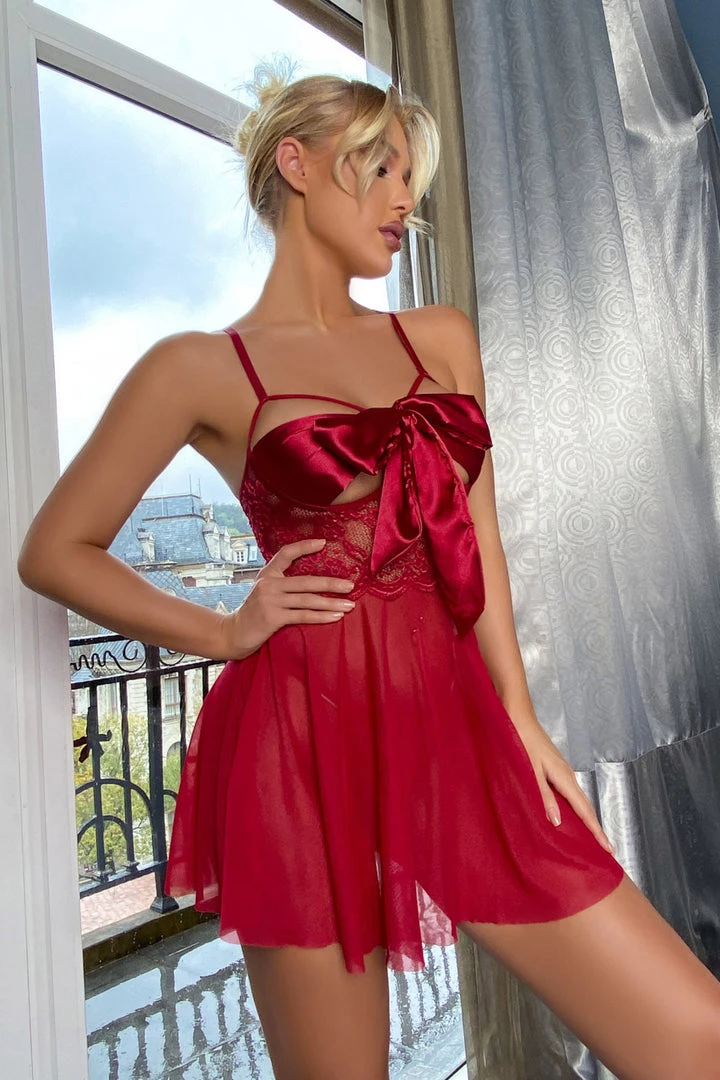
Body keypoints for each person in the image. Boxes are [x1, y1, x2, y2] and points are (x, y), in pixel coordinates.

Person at [17, 60, 720, 1080]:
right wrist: (224, 628)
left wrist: (520, 717)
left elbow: (476, 538)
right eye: (381, 168)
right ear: (297, 165)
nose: (404, 200)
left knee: (695, 1036)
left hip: (453, 728)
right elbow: (54, 550)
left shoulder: (441, 338)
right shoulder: (196, 367)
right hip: (296, 744)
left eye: (410, 177)